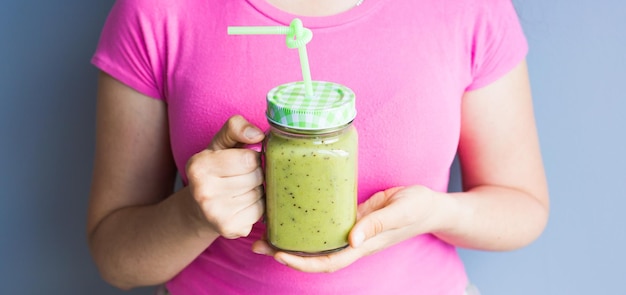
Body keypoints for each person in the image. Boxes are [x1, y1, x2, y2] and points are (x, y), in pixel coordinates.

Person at [86, 0, 550, 294]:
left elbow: (522, 208)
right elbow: (115, 259)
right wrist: (191, 215)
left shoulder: (468, 9)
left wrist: (434, 214)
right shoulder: (156, 12)